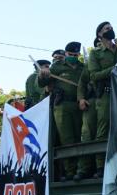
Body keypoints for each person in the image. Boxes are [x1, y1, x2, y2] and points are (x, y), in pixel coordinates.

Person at [38, 42, 90, 181]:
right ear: (66, 54)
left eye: (75, 55)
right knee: (66, 138)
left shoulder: (82, 67)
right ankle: (69, 171)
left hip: (79, 104)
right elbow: (42, 83)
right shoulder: (57, 67)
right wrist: (42, 75)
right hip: (62, 106)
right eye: (70, 54)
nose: (73, 57)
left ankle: (81, 169)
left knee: (81, 137)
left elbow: (87, 82)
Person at [86, 22, 117, 177]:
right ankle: (100, 167)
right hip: (105, 95)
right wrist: (114, 68)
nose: (111, 30)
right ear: (99, 35)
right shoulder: (95, 54)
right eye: (107, 29)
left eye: (111, 28)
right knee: (102, 130)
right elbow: (93, 75)